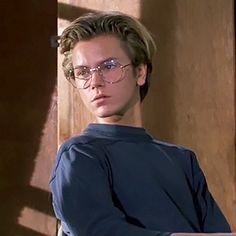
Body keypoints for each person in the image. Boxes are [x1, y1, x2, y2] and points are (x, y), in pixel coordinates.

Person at [50, 11, 231, 236]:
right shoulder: (79, 154)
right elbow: (98, 231)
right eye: (83, 72)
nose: (95, 82)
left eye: (109, 66)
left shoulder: (183, 160)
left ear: (140, 72)